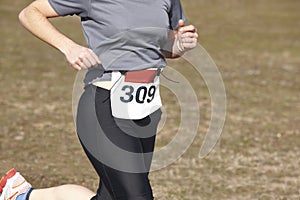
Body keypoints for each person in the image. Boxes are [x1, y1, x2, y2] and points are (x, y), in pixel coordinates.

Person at [0, 0, 198, 199]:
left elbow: (161, 46)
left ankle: (24, 196)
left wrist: (179, 44)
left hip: (146, 111)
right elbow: (30, 13)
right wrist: (69, 47)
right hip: (104, 105)